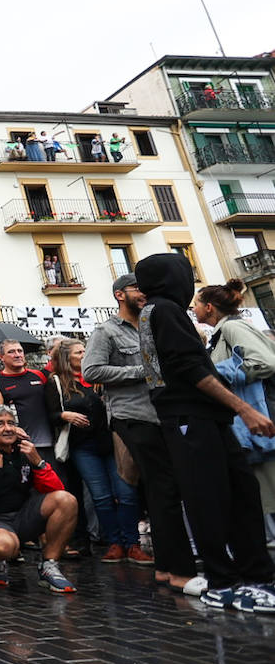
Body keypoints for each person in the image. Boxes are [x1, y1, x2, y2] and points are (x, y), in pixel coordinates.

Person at [136, 253, 275, 612]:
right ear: (171, 279)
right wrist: (244, 408)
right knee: (210, 500)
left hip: (202, 418)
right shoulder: (164, 310)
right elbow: (188, 368)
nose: (190, 284)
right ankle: (226, 583)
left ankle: (256, 577)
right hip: (189, 417)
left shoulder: (160, 311)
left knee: (241, 492)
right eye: (185, 274)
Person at [83, 274, 198, 591]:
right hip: (131, 416)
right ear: (120, 294)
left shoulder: (153, 326)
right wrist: (143, 371)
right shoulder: (105, 331)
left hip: (162, 415)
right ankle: (177, 569)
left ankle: (165, 566)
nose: (145, 293)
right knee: (162, 489)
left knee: (161, 492)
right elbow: (91, 371)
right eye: (138, 288)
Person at [46, 339, 146, 563]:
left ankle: (133, 544)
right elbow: (51, 414)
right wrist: (65, 415)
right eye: (79, 352)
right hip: (83, 446)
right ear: (66, 358)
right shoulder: (57, 382)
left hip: (112, 442)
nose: (84, 354)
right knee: (101, 497)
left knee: (126, 493)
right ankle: (115, 543)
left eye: (85, 351)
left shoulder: (99, 376)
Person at [0, 405, 79, 592]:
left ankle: (49, 565)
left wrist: (38, 462)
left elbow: (56, 490)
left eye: (11, 423)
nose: (8, 428)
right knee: (7, 547)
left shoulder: (24, 450)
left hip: (23, 516)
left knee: (66, 500)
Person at [195, 280, 275, 546]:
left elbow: (264, 362)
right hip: (249, 427)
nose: (192, 308)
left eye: (196, 303)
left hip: (258, 424)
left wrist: (214, 375)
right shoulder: (223, 331)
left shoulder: (231, 327)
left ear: (209, 307)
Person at [0, 341, 54, 454]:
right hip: (19, 445)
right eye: (11, 352)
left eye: (20, 351)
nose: (17, 355)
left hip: (49, 442)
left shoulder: (38, 375)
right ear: (1, 357)